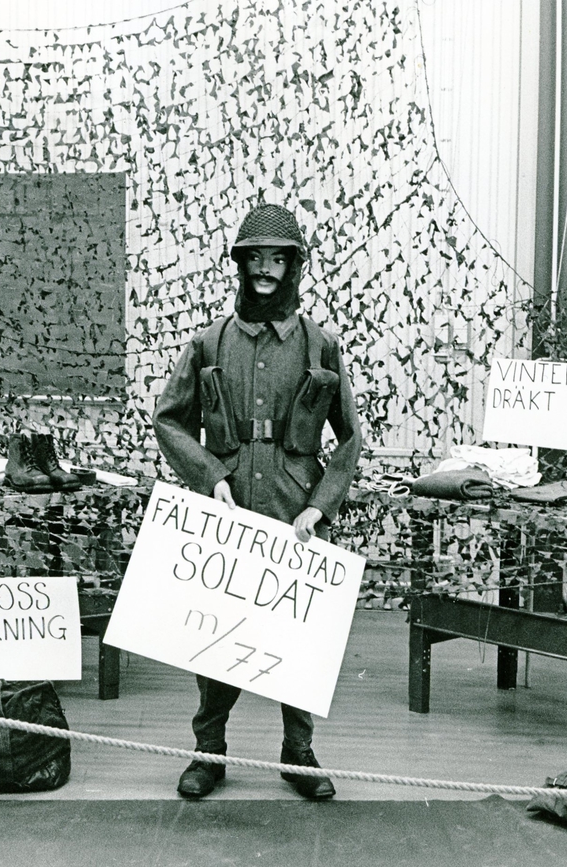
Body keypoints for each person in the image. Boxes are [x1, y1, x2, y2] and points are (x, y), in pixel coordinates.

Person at [152, 203, 363, 800]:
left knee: (298, 639)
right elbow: (169, 420)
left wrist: (321, 505)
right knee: (216, 636)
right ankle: (208, 752)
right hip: (229, 507)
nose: (265, 269)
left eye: (277, 259)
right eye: (255, 258)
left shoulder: (321, 346)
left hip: (297, 511)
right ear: (241, 266)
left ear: (293, 267)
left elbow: (349, 437)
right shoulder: (208, 342)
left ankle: (299, 754)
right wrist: (209, 476)